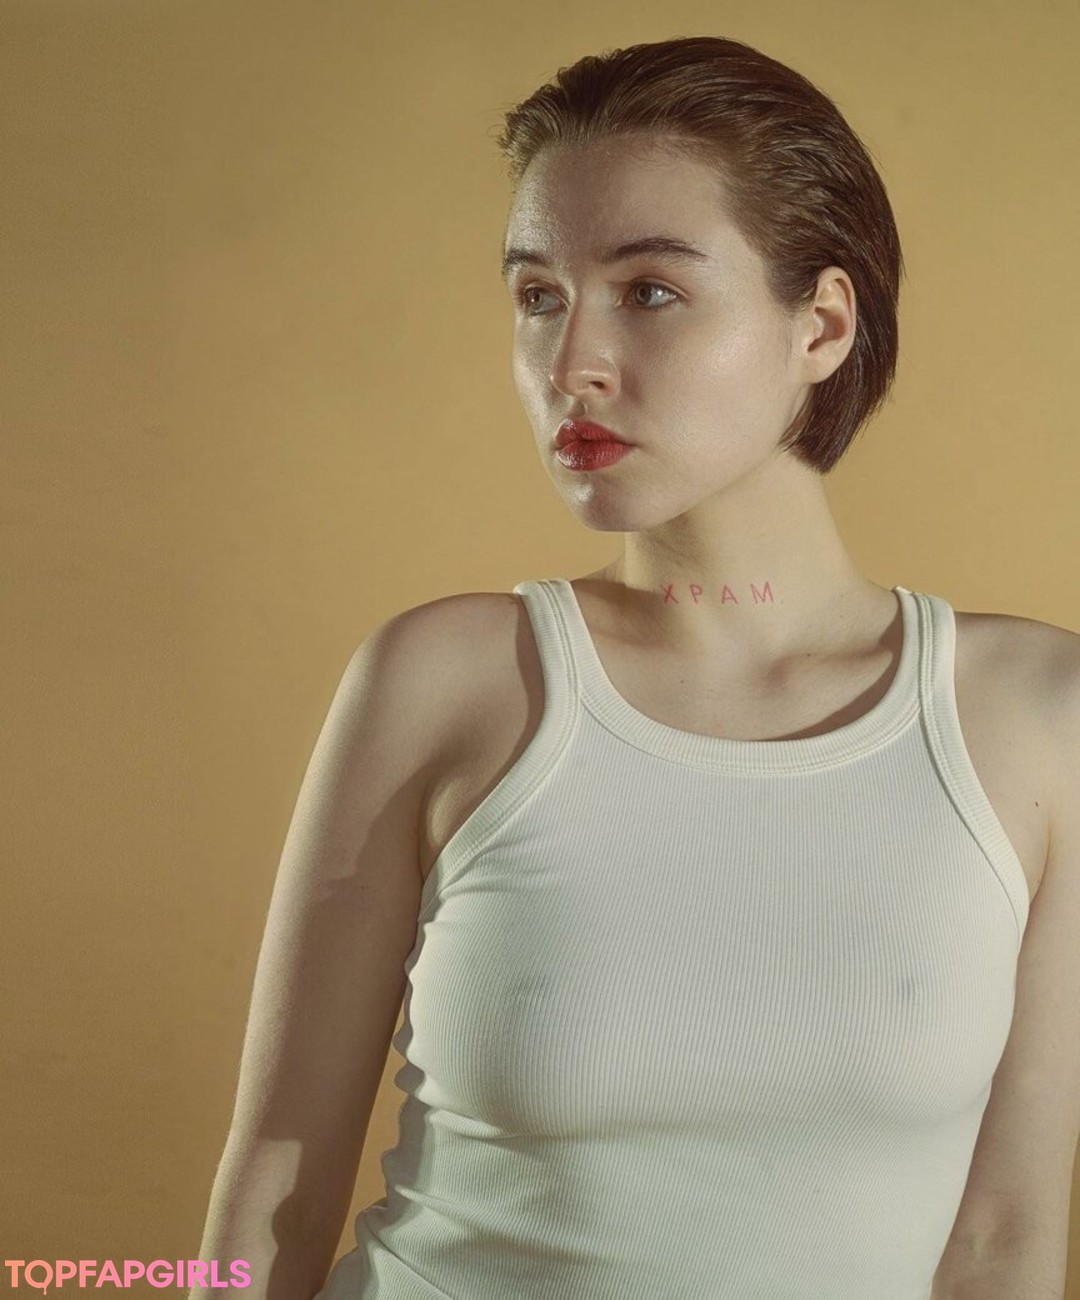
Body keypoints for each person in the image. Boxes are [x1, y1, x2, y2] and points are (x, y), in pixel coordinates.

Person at [191, 35, 1080, 1300]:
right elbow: (276, 1180)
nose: (572, 365)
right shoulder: (446, 682)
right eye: (538, 295)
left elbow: (1004, 1240)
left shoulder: (1038, 721)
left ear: (822, 324)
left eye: (650, 291)